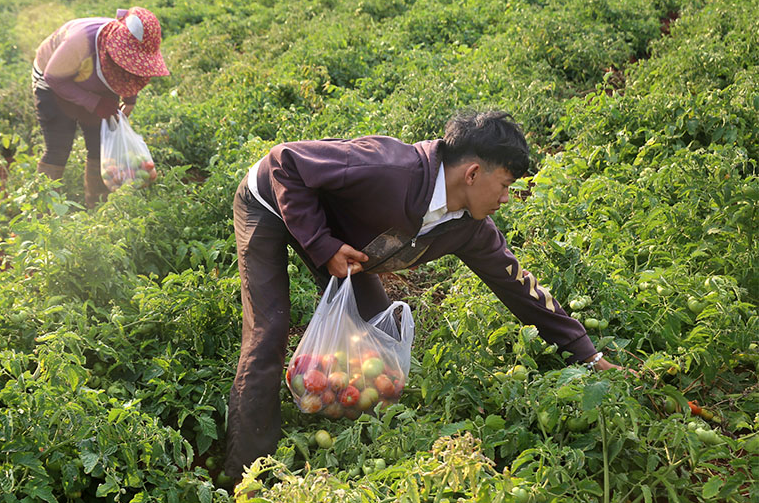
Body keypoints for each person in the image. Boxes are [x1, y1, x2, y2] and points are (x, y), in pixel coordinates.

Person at [225, 110, 624, 480]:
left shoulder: (468, 227)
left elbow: (518, 285)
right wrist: (322, 245)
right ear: (472, 173)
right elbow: (284, 163)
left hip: (339, 229)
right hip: (270, 201)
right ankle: (247, 475)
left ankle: (340, 427)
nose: (506, 199)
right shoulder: (389, 169)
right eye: (504, 186)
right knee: (270, 329)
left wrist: (588, 354)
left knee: (380, 332)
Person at [32, 7, 169, 207]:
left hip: (96, 81)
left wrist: (129, 100)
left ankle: (96, 205)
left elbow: (133, 72)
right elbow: (53, 77)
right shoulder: (81, 41)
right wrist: (93, 103)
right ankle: (44, 211)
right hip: (53, 81)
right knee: (58, 146)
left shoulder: (129, 56)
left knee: (99, 142)